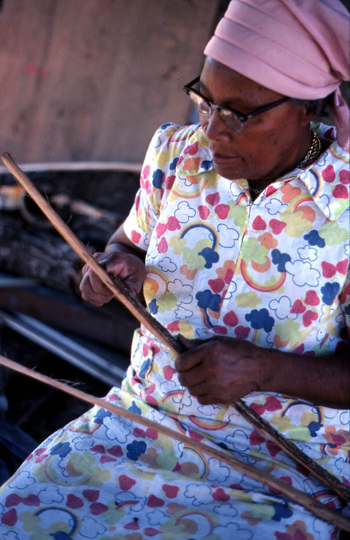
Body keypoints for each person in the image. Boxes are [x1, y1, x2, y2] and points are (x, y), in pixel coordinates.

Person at [0, 0, 349, 538]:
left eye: (239, 112)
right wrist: (112, 268)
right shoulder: (176, 155)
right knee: (17, 516)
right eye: (205, 101)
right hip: (139, 425)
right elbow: (128, 244)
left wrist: (263, 371)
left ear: (308, 107)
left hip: (282, 467)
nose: (213, 129)